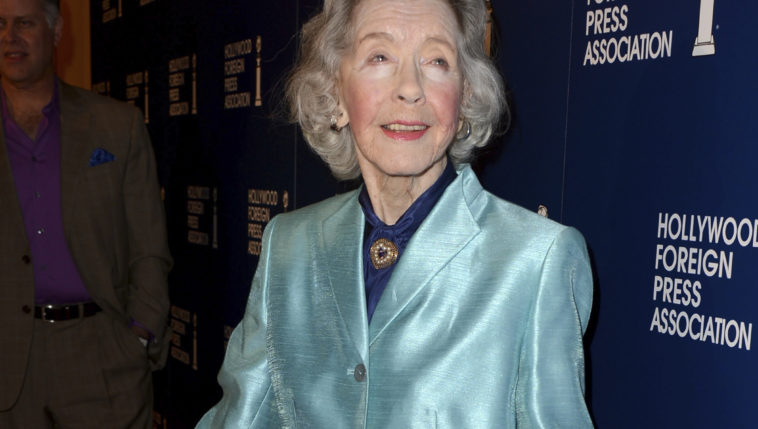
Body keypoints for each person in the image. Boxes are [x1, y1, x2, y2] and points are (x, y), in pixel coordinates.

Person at [198, 0, 593, 427]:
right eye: (380, 57)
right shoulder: (287, 249)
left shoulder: (536, 262)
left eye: (437, 60)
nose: (410, 87)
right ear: (335, 94)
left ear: (465, 97)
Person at [0, 0, 171, 427]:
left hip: (103, 359)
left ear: (56, 31)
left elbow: (149, 247)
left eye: (24, 23)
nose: (9, 36)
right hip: (7, 364)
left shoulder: (117, 125)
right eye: (0, 24)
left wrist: (138, 334)